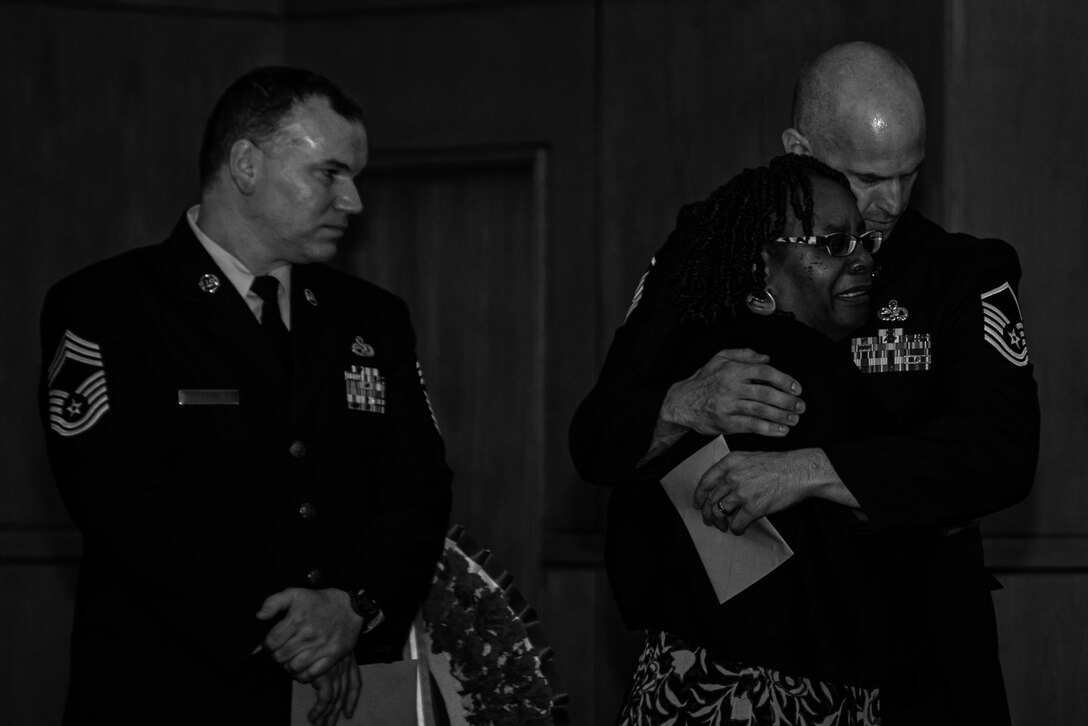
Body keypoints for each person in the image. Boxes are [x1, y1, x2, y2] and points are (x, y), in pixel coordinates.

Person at [570, 42, 1039, 724]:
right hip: (739, 661)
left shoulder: (959, 273)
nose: (891, 203)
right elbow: (597, 436)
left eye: (910, 174)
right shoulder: (717, 248)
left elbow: (999, 454)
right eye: (865, 177)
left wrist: (807, 471)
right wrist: (683, 402)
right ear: (799, 147)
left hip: (923, 649)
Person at [39, 67, 452, 726]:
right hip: (172, 688)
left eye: (356, 178)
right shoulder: (110, 307)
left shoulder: (371, 318)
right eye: (330, 173)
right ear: (246, 164)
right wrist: (289, 632)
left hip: (346, 693)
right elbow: (121, 503)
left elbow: (419, 486)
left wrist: (351, 608)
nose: (354, 202)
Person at [609, 153, 907, 725]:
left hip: (682, 685)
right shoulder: (806, 377)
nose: (863, 258)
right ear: (760, 265)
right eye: (833, 244)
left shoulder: (687, 361)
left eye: (864, 241)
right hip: (777, 699)